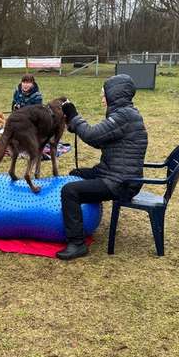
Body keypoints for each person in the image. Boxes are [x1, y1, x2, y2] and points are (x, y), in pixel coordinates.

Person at [57, 74, 148, 260]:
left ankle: (77, 243)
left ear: (114, 95)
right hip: (114, 173)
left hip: (120, 182)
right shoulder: (126, 115)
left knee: (69, 191)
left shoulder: (124, 116)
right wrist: (74, 125)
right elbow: (100, 141)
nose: (102, 98)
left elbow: (92, 136)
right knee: (76, 173)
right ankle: (82, 223)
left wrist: (73, 115)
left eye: (103, 94)